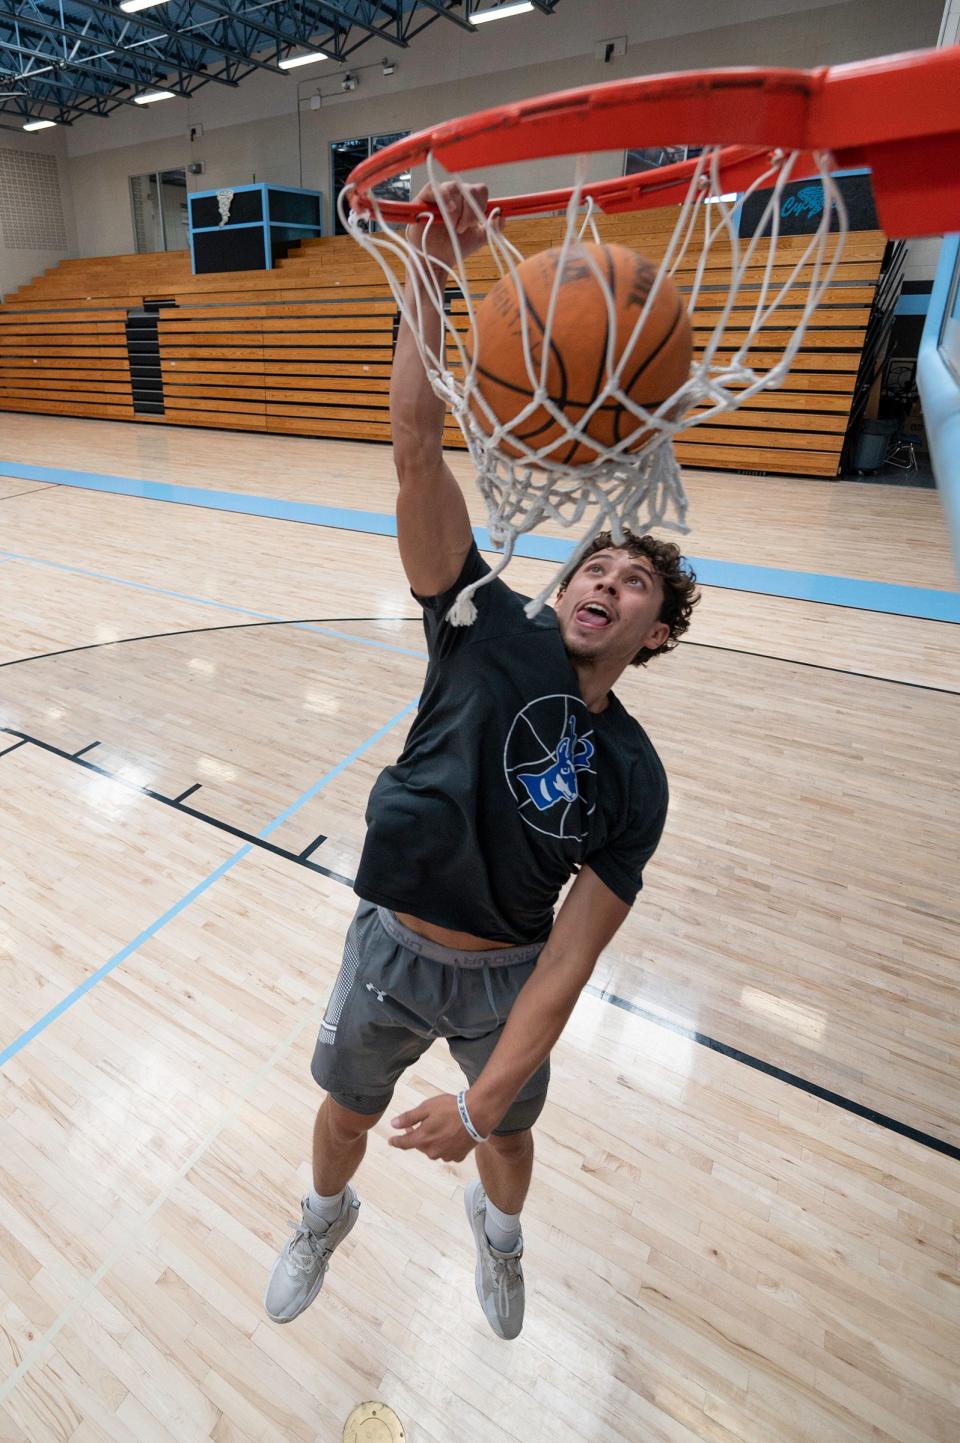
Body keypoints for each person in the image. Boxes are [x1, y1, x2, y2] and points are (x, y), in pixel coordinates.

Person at [265, 181, 699, 1341]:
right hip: (389, 946)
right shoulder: (480, 622)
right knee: (343, 1113)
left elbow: (569, 962)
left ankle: (499, 1237)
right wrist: (428, 277)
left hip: (506, 975)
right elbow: (414, 451)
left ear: (655, 633)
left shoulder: (636, 778)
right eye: (594, 571)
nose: (606, 583)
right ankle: (321, 1212)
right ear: (563, 590)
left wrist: (479, 1094)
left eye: (634, 582)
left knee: (507, 1137)